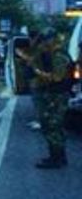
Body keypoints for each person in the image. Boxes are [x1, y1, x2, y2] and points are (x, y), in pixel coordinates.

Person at [18, 28, 72, 169]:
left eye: (45, 40)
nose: (43, 44)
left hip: (58, 95)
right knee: (51, 126)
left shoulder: (59, 55)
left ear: (52, 40)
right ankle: (57, 157)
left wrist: (36, 71)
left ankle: (57, 158)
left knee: (53, 126)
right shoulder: (51, 54)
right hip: (53, 94)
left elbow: (56, 77)